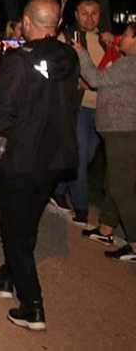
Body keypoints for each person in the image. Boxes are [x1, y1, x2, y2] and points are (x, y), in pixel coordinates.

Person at [0, 0, 80, 331]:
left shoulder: (18, 59)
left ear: (26, 21)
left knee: (14, 231)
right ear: (57, 24)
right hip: (55, 158)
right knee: (27, 221)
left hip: (22, 157)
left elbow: (3, 112)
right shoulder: (69, 56)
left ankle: (33, 305)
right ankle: (6, 277)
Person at [73, 23, 136, 262]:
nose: (122, 39)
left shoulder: (130, 63)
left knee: (122, 189)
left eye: (127, 36)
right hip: (122, 130)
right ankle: (106, 229)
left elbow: (96, 79)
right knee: (115, 180)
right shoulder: (127, 61)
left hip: (123, 130)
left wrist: (80, 51)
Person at [53, 0, 108, 223]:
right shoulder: (66, 38)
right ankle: (82, 208)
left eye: (93, 13)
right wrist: (78, 83)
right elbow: (56, 72)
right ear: (76, 14)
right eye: (84, 13)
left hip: (103, 108)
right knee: (80, 154)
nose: (89, 17)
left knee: (86, 158)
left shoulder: (107, 40)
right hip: (78, 107)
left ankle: (57, 189)